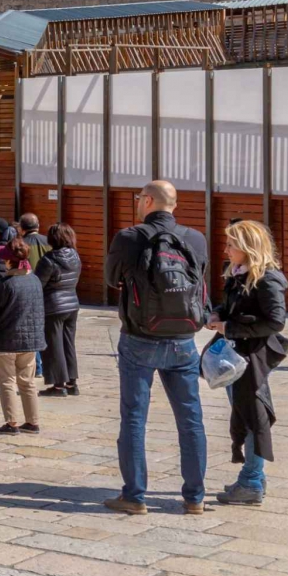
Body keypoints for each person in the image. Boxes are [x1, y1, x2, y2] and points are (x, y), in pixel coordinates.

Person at [103, 180, 209, 515]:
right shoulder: (195, 238)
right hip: (184, 340)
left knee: (134, 418)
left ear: (147, 200)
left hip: (139, 338)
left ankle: (134, 497)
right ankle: (194, 498)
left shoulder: (129, 237)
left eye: (139, 198)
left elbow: (110, 278)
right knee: (190, 419)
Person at [211, 220, 288, 507]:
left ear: (247, 247)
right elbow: (231, 306)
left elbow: (275, 321)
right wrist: (217, 315)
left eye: (231, 244)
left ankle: (251, 481)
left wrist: (229, 328)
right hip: (236, 358)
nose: (226, 249)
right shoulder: (238, 274)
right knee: (247, 417)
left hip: (251, 360)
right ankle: (255, 478)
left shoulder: (267, 278)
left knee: (255, 419)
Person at [0, 238, 45, 434]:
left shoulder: (3, 284)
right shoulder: (35, 280)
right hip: (30, 340)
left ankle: (11, 423)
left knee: (7, 382)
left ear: (10, 261)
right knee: (27, 381)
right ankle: (32, 421)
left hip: (5, 339)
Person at [37, 223, 82, 396]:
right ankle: (72, 383)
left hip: (53, 306)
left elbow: (38, 283)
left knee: (54, 345)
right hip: (72, 303)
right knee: (68, 344)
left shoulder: (48, 259)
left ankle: (58, 385)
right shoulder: (75, 256)